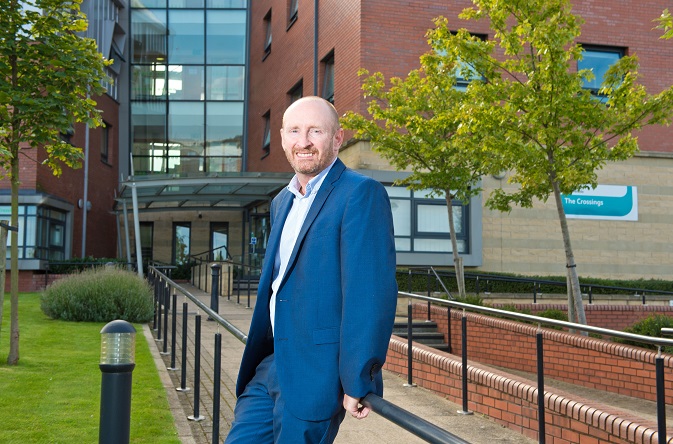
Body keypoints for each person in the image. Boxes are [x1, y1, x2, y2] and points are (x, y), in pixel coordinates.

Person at [224, 96, 398, 444]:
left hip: (316, 376)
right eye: (294, 131)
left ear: (337, 138)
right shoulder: (281, 201)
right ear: (283, 139)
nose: (303, 141)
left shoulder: (361, 194)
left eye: (315, 131)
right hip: (269, 365)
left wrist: (358, 379)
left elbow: (368, 295)